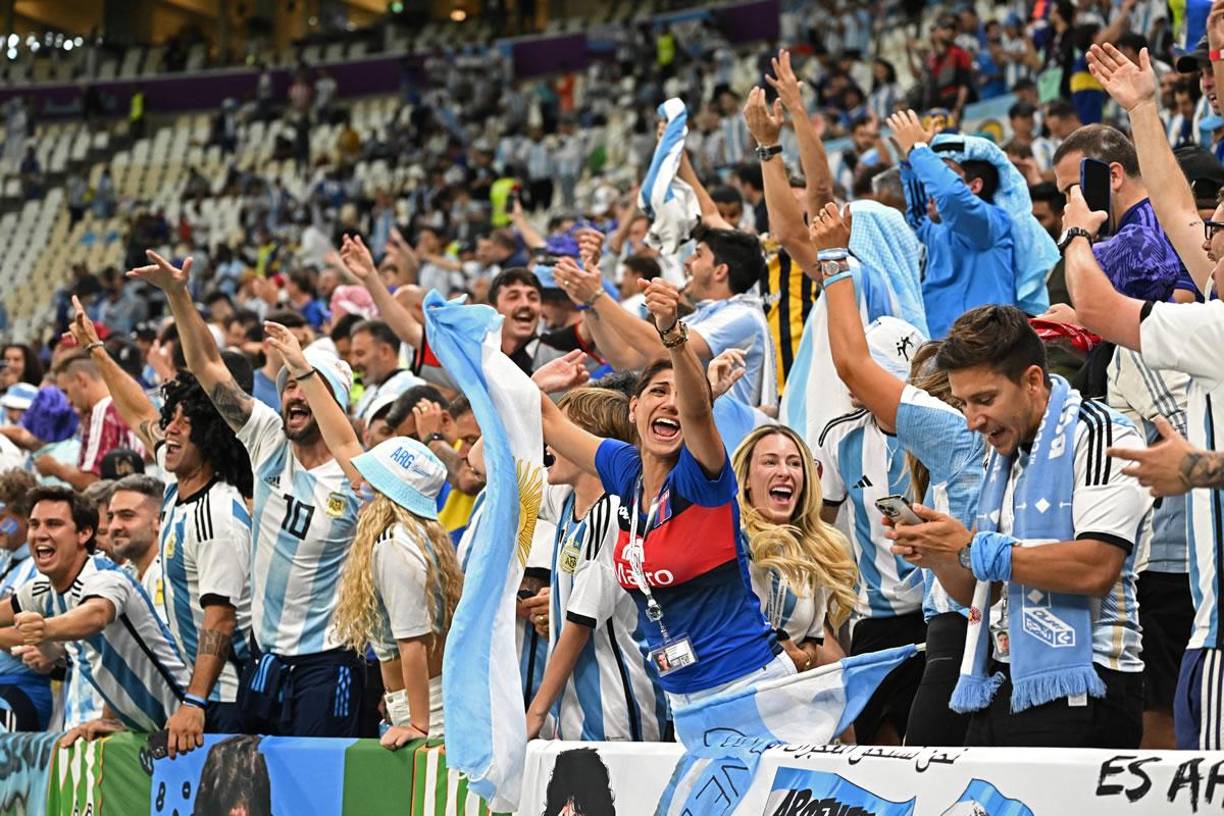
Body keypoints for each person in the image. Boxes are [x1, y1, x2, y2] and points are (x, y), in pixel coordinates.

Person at [888, 305, 1150, 748]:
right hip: (1003, 678)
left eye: (985, 400)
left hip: (1088, 682)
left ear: (1032, 381)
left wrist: (973, 549)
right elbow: (979, 589)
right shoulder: (1001, 452)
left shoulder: (1103, 435)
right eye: (964, 402)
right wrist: (942, 556)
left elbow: (1096, 568)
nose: (972, 420)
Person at [128, 250, 364, 738]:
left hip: (331, 661)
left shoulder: (359, 477)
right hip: (265, 661)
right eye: (289, 385)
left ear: (336, 403)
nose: (294, 395)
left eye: (308, 386)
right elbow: (208, 367)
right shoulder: (270, 441)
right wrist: (178, 295)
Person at [539, 277, 786, 711]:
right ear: (633, 409)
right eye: (656, 392)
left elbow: (695, 408)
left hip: (750, 685)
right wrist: (538, 383)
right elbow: (549, 422)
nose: (670, 404)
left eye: (678, 394)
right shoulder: (623, 468)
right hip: (682, 696)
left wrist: (673, 333)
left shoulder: (701, 475)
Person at [814, 201, 985, 746]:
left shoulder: (953, 435)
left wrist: (834, 258)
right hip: (893, 621)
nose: (858, 390)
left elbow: (850, 364)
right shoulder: (843, 439)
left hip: (951, 622)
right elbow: (820, 525)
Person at [68, 294, 255, 753]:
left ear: (209, 436)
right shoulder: (177, 491)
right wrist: (97, 350)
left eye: (180, 424)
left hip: (219, 699)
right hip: (187, 694)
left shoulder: (218, 515)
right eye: (169, 420)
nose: (166, 430)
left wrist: (194, 702)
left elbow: (221, 618)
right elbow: (138, 413)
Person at [270, 312, 462, 750]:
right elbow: (342, 441)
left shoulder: (394, 544)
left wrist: (415, 723)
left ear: (389, 490)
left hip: (429, 715)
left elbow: (412, 645)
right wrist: (301, 368)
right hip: (421, 703)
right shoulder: (409, 532)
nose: (361, 482)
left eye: (372, 478)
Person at [525, 387, 668, 742]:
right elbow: (483, 462)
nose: (548, 444)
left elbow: (579, 625)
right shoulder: (566, 501)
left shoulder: (613, 513)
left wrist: (536, 711)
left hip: (616, 711)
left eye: (561, 433)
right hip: (573, 712)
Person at [0, 486, 191, 741]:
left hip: (186, 722)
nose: (41, 534)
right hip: (143, 732)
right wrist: (110, 718)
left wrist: (45, 629)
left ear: (84, 533)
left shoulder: (104, 576)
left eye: (54, 524)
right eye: (34, 524)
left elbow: (96, 615)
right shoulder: (42, 590)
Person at [557, 229, 775, 408]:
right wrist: (589, 302)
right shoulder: (703, 316)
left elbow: (664, 350)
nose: (687, 262)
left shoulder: (742, 315)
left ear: (720, 271)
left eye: (698, 255)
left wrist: (597, 295)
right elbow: (625, 358)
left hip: (728, 445)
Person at [732, 425, 857, 672]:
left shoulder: (815, 550)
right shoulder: (731, 538)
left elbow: (814, 642)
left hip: (792, 697)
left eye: (794, 463)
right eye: (770, 462)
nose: (784, 472)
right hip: (735, 691)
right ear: (746, 479)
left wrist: (804, 658)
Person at [889, 110, 1019, 339]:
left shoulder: (989, 223)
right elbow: (919, 212)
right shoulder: (935, 228)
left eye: (944, 174)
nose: (932, 189)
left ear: (974, 187)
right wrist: (908, 162)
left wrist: (917, 151)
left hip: (985, 352)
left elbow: (950, 195)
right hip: (941, 354)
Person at [1051, 124, 1200, 303]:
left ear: (1113, 176)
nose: (1069, 203)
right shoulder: (1131, 224)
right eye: (1065, 194)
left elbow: (1183, 300)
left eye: (1074, 189)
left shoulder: (1148, 227)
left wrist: (1079, 323)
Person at [43, 350, 142, 489]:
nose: (68, 401)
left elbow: (94, 481)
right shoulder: (124, 402)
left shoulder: (104, 409)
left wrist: (55, 468)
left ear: (81, 380)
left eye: (66, 391)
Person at [0, 469, 53, 731]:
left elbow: (32, 635)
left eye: (2, 517)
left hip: (21, 685)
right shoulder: (4, 559)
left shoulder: (39, 567)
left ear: (24, 518)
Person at [348, 320, 423, 426]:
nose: (354, 362)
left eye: (360, 354)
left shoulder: (411, 387)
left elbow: (389, 431)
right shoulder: (370, 391)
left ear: (385, 352)